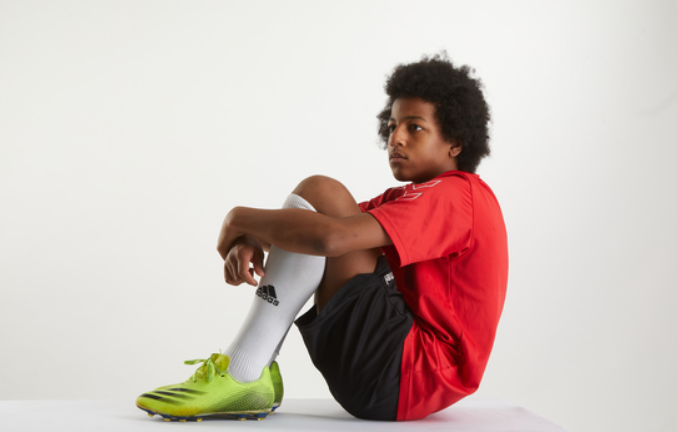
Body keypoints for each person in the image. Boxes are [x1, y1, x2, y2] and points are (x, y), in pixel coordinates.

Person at [135, 52, 508, 422]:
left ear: (456, 142)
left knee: (322, 190)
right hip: (395, 377)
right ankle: (247, 370)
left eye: (414, 127)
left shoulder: (459, 196)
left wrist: (238, 219)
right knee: (322, 204)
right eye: (392, 126)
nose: (395, 138)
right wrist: (251, 234)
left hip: (406, 371)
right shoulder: (410, 198)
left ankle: (243, 372)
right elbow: (307, 234)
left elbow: (328, 239)